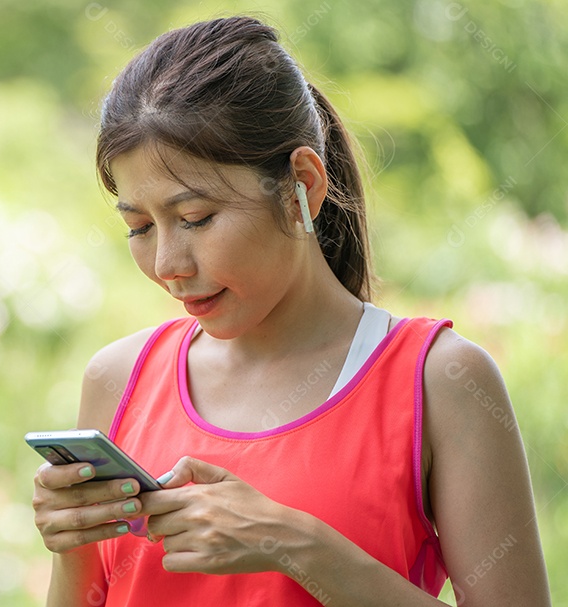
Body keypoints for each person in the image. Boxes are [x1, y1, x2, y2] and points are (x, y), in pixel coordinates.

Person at [30, 15, 551, 606]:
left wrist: (294, 544)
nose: (168, 262)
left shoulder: (440, 383)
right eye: (140, 227)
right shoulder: (117, 379)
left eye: (197, 218)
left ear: (302, 183)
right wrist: (72, 542)